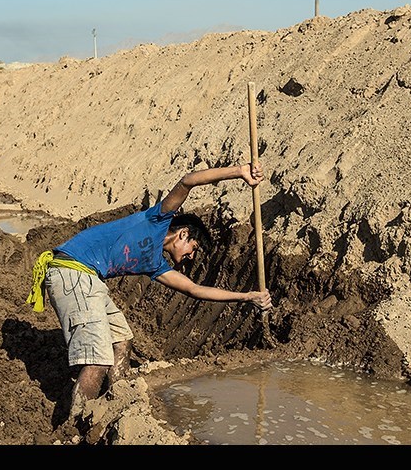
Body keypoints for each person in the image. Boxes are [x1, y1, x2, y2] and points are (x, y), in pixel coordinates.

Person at [26, 161, 273, 421]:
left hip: (90, 279)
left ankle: (117, 404)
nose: (190, 257)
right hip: (72, 271)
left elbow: (194, 289)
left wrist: (247, 296)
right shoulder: (157, 219)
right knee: (97, 359)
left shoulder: (156, 263)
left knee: (121, 339)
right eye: (194, 249)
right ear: (183, 234)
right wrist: (239, 172)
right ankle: (75, 425)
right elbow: (188, 180)